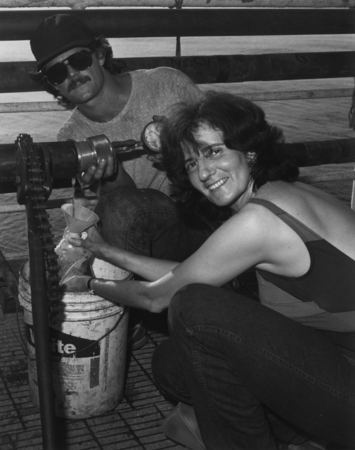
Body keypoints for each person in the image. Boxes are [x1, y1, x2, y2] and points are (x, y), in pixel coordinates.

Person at [64, 91, 355, 449]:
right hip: (336, 362)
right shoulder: (279, 193)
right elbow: (187, 273)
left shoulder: (259, 221)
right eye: (190, 164)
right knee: (172, 364)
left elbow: (156, 298)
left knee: (195, 311)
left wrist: (87, 284)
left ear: (249, 150)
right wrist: (103, 249)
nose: (203, 172)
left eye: (213, 151)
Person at [29, 13, 208, 348]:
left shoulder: (167, 85)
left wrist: (179, 150)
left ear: (100, 54)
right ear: (52, 84)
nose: (72, 75)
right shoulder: (72, 137)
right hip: (155, 240)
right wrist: (110, 179)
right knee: (120, 207)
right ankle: (140, 316)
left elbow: (225, 146)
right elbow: (117, 215)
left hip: (207, 221)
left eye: (78, 59)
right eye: (57, 72)